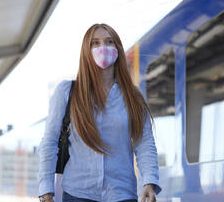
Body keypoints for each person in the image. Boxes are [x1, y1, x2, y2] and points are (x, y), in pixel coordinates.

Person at [38, 23, 161, 202]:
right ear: (86, 51)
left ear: (117, 48)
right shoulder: (67, 92)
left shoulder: (133, 96)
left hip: (122, 194)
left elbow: (144, 142)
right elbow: (49, 143)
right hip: (78, 194)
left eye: (109, 42)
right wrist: (46, 192)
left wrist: (149, 183)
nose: (103, 48)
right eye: (95, 43)